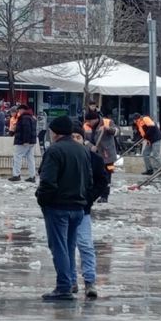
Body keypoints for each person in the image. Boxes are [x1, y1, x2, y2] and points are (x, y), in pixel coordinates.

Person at [35, 115, 92, 301]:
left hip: (58, 206)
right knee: (68, 246)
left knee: (59, 247)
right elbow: (89, 180)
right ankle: (67, 283)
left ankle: (64, 286)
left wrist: (42, 199)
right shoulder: (82, 150)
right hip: (78, 208)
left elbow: (48, 181)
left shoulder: (54, 151)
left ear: (55, 132)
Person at [69, 123, 107, 299]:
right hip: (64, 208)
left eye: (78, 137)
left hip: (82, 210)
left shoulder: (94, 159)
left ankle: (90, 281)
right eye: (73, 137)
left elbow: (101, 182)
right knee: (66, 246)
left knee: (85, 245)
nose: (75, 140)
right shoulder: (62, 155)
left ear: (83, 139)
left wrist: (88, 198)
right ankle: (70, 281)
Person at [83, 110, 117, 202]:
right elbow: (84, 140)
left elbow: (116, 132)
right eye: (87, 121)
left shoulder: (107, 122)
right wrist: (91, 146)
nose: (88, 123)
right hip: (94, 155)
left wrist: (108, 129)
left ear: (95, 119)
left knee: (107, 176)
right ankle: (95, 194)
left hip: (108, 156)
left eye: (89, 121)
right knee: (94, 175)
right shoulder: (86, 126)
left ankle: (105, 196)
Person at [9, 104, 37, 182]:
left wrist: (25, 141)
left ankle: (16, 175)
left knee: (17, 156)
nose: (19, 112)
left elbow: (26, 130)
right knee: (30, 158)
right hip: (31, 142)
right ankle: (32, 176)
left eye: (19, 110)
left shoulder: (24, 118)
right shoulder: (32, 117)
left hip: (23, 141)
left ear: (22, 110)